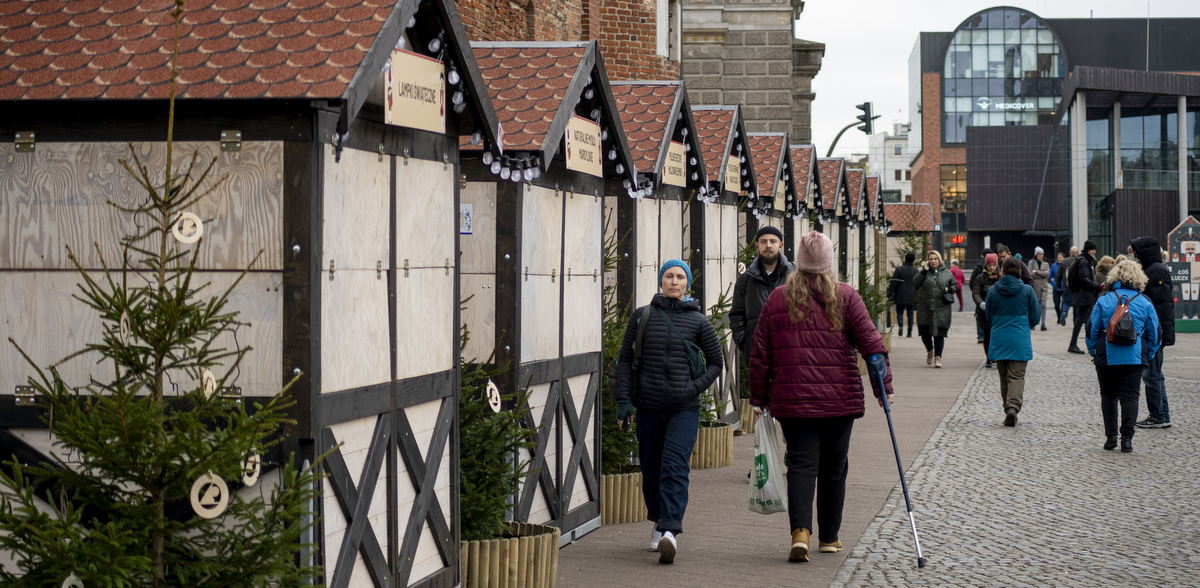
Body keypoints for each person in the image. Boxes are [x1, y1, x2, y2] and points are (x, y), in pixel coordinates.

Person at [748, 231, 894, 563]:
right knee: (834, 467)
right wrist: (882, 388)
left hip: (793, 398)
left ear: (799, 261)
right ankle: (829, 537)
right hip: (839, 399)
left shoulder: (778, 298)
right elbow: (873, 347)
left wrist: (759, 398)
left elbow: (760, 355)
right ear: (828, 262)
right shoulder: (846, 296)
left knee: (800, 465)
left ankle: (800, 533)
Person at [613, 260, 724, 564]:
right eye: (669, 276)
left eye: (680, 277)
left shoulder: (699, 322)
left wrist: (692, 388)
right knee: (651, 471)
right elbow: (624, 361)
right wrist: (624, 402)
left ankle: (669, 531)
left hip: (684, 409)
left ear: (687, 283)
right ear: (661, 281)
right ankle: (658, 520)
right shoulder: (642, 317)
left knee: (675, 467)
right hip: (648, 407)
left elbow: (716, 363)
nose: (674, 281)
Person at [1086, 259, 1160, 453]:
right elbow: (1155, 333)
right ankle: (1127, 438)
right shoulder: (1144, 301)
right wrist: (1148, 353)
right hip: (1134, 357)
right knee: (1130, 397)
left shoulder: (1104, 299)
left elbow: (1091, 329)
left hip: (1106, 354)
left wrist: (1093, 350)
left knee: (1108, 394)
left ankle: (1111, 437)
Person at [986, 257, 1041, 426]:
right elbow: (1036, 315)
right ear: (1019, 271)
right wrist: (1027, 325)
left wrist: (997, 324)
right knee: (1016, 376)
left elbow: (989, 315)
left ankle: (1007, 408)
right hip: (1019, 338)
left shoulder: (992, 291)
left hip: (1000, 338)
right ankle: (1013, 407)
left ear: (1002, 270)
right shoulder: (1027, 290)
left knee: (1004, 377)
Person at [1130, 237, 1175, 429]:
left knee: (1151, 374)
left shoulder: (1155, 270)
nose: (1135, 255)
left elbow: (1160, 307)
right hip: (1157, 330)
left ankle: (1158, 415)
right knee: (1155, 373)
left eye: (1137, 251)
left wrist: (1155, 333)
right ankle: (1161, 414)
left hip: (1155, 332)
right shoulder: (1156, 268)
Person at [731, 226, 795, 358]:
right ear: (757, 245)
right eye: (763, 241)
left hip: (791, 353)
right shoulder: (746, 280)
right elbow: (736, 314)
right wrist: (745, 342)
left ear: (780, 245)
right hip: (757, 355)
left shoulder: (795, 275)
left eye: (773, 241)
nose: (768, 245)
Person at [914, 250, 956, 368]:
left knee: (939, 334)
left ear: (939, 259)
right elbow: (915, 282)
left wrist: (948, 289)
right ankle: (930, 350)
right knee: (925, 333)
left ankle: (938, 358)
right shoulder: (924, 273)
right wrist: (924, 270)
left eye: (935, 259)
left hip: (941, 307)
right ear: (928, 260)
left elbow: (955, 285)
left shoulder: (947, 273)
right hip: (925, 307)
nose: (933, 261)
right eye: (931, 259)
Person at [1067, 241, 1103, 354]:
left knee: (1087, 320)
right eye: (1092, 249)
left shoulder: (1083, 260)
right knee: (1082, 319)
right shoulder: (1083, 261)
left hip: (1084, 294)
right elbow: (1084, 280)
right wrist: (1098, 286)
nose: (1094, 251)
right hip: (1084, 295)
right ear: (1087, 249)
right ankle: (1073, 344)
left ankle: (1090, 344)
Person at [972, 253, 1001, 368]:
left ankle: (997, 356)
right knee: (987, 335)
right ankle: (989, 357)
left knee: (997, 335)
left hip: (998, 311)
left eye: (994, 265)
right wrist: (980, 303)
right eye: (990, 265)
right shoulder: (980, 278)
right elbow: (975, 292)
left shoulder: (1001, 277)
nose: (992, 267)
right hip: (984, 311)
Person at [887, 252, 919, 337]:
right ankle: (910, 331)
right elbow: (918, 283)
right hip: (911, 295)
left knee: (900, 311)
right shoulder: (916, 271)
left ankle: (900, 324)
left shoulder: (899, 269)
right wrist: (914, 290)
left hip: (900, 294)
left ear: (905, 258)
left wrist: (889, 293)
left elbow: (894, 282)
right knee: (910, 313)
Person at [970, 248, 993, 343]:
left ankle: (981, 335)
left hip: (981, 296)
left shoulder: (977, 267)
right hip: (991, 298)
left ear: (982, 256)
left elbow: (972, 283)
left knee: (979, 314)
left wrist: (977, 293)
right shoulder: (996, 268)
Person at [1027, 247, 1052, 331]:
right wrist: (1042, 273)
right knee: (1034, 306)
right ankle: (1033, 323)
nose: (1041, 256)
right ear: (1036, 254)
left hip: (1043, 287)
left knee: (1043, 305)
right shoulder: (1031, 263)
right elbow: (1030, 273)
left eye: (1042, 254)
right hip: (1035, 287)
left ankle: (1043, 323)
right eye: (1039, 254)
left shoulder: (1046, 264)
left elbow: (1047, 274)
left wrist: (1037, 272)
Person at [1058, 246, 1079, 326]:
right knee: (1076, 306)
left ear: (1070, 253)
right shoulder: (1079, 261)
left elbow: (1059, 274)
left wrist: (1058, 285)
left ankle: (1064, 312)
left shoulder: (1064, 261)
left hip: (1067, 287)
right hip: (1077, 288)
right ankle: (1076, 322)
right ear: (1077, 253)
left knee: (1066, 302)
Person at [1050, 252, 1064, 320]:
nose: (1059, 259)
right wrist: (1055, 285)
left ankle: (1061, 317)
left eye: (1060, 257)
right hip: (1056, 288)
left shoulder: (1065, 265)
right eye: (1058, 257)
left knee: (1064, 304)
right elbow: (1050, 278)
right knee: (1056, 305)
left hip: (1064, 288)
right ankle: (1059, 316)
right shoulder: (1054, 266)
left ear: (1063, 258)